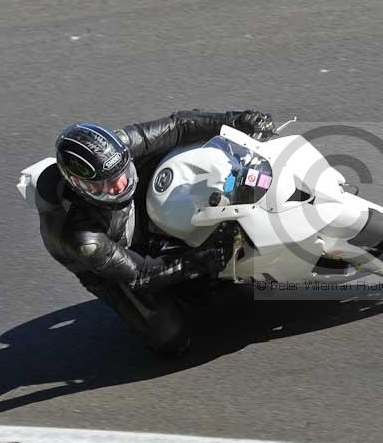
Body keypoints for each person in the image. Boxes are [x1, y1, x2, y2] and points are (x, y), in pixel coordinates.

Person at [33, 109, 275, 356]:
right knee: (171, 340)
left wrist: (234, 120)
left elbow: (178, 126)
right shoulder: (83, 238)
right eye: (104, 183)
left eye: (120, 171)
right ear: (80, 186)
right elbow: (140, 274)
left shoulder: (120, 148)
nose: (119, 184)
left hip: (138, 208)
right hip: (111, 260)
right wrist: (195, 262)